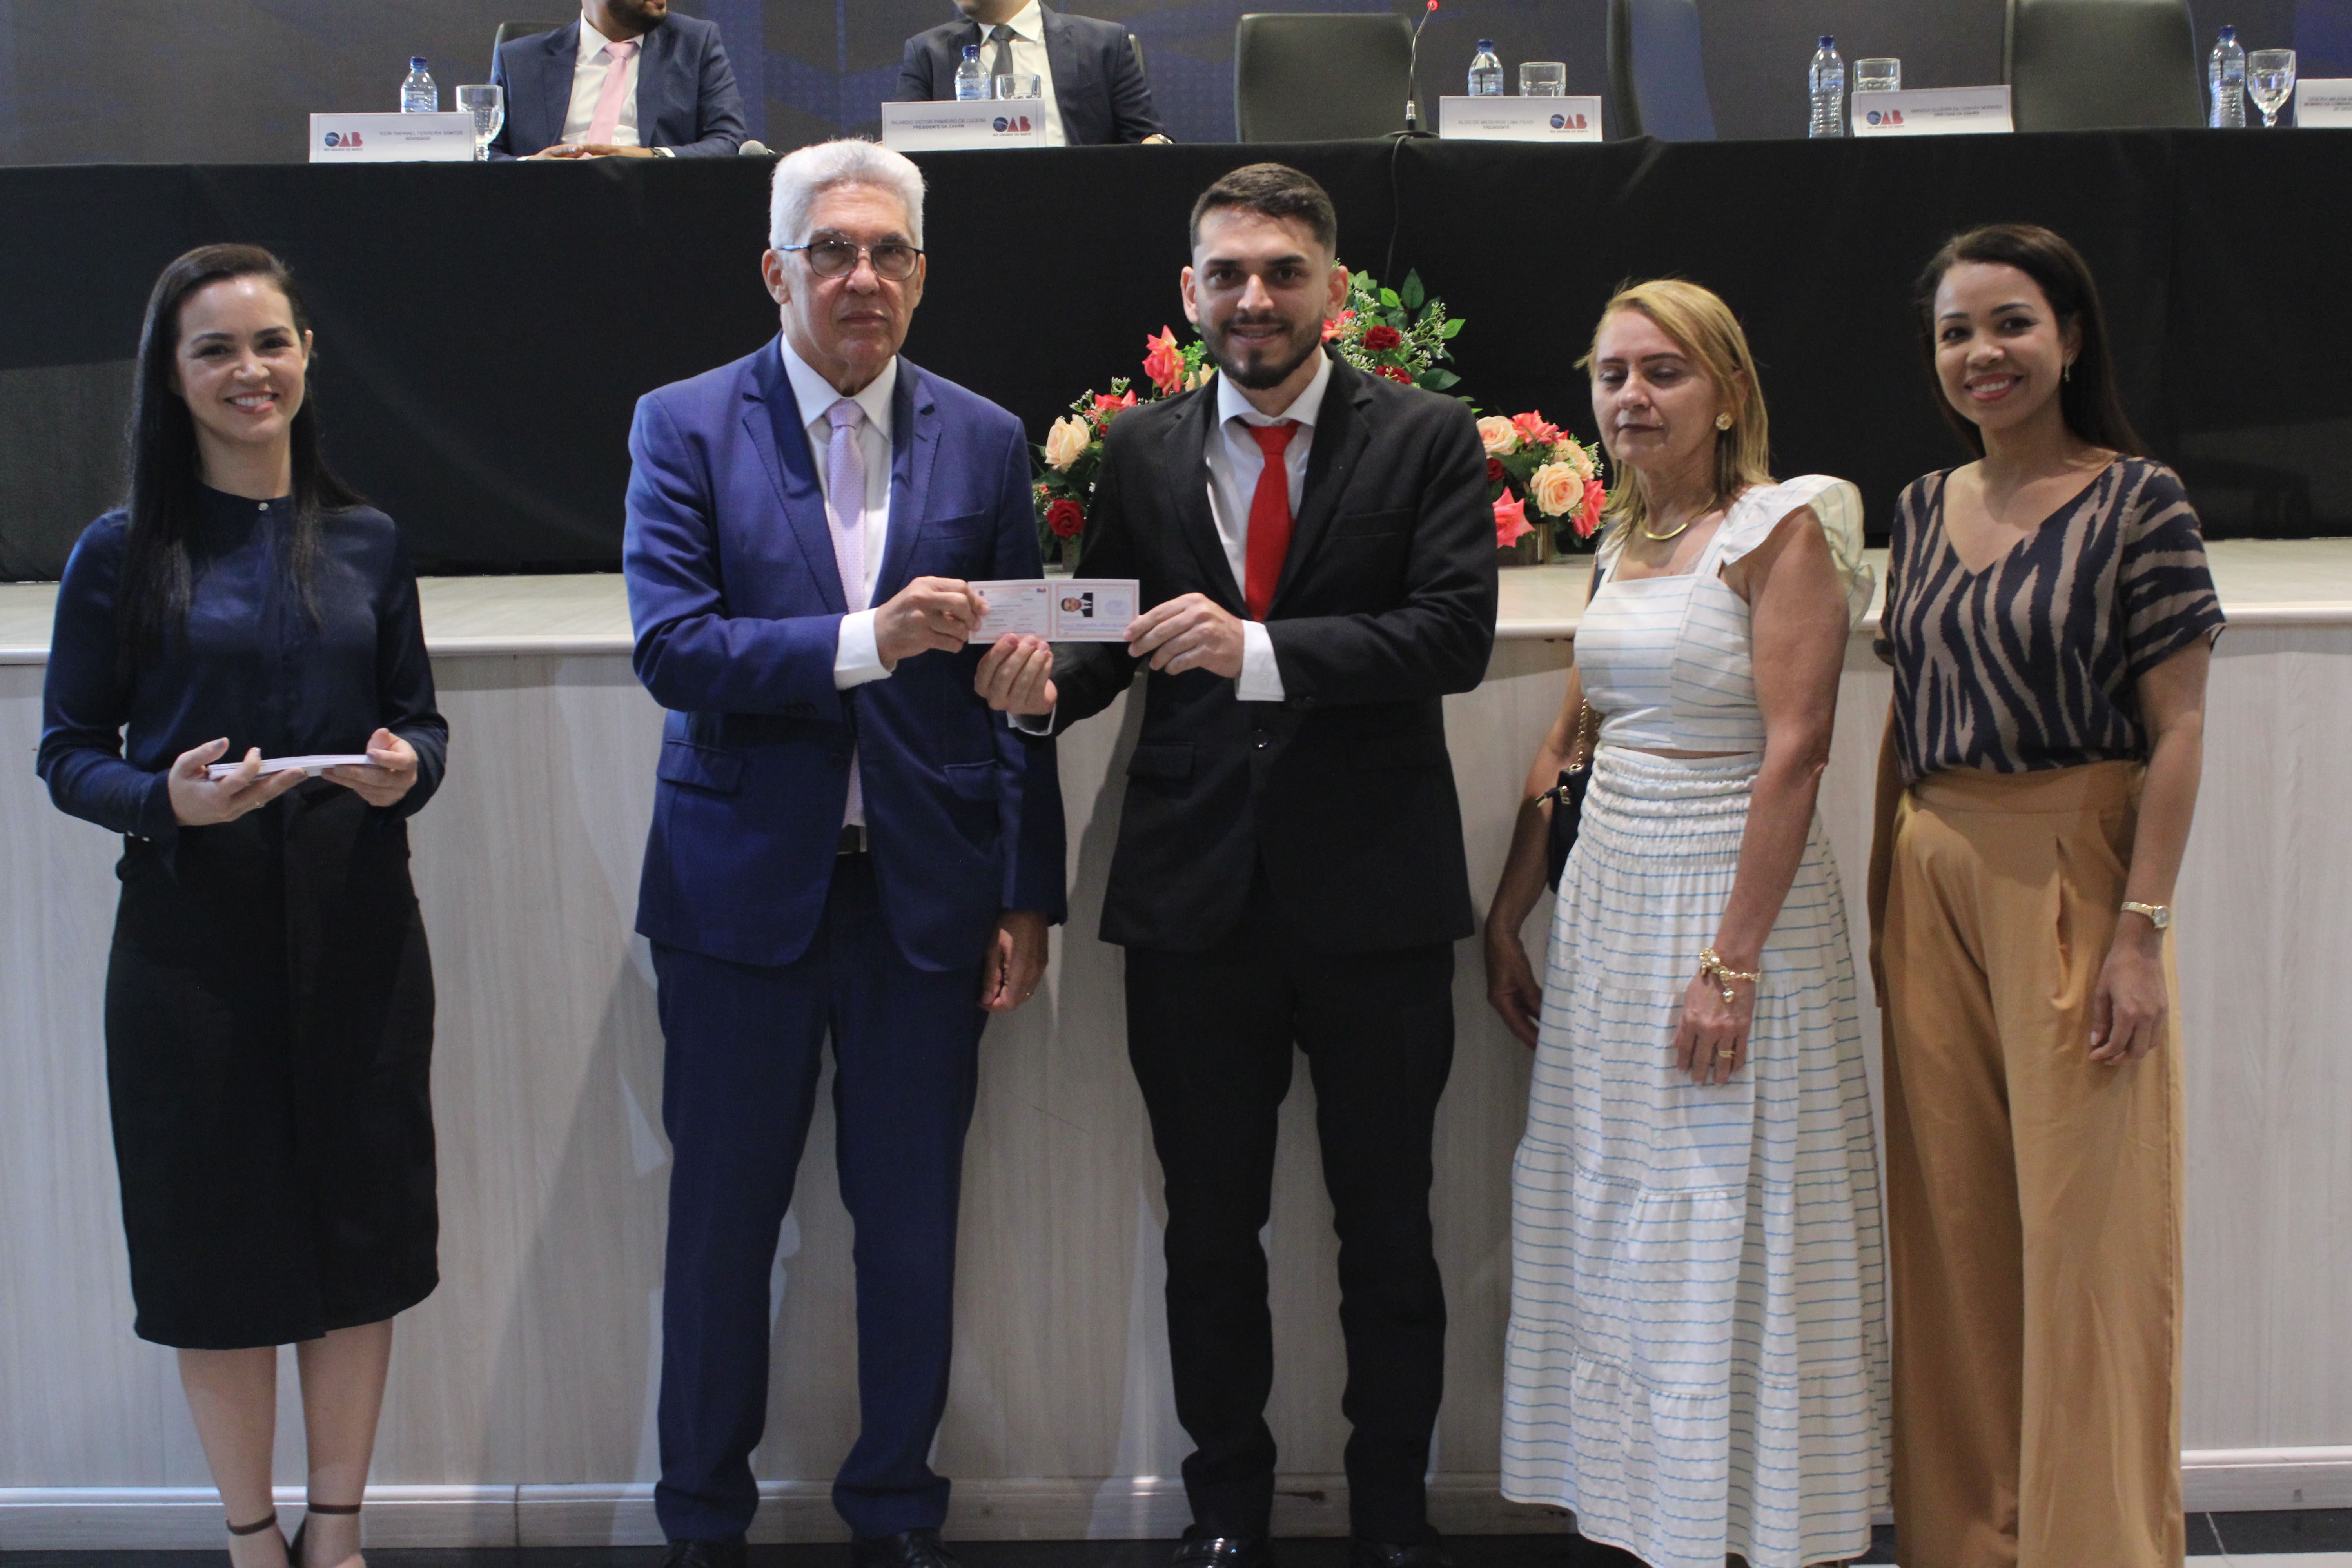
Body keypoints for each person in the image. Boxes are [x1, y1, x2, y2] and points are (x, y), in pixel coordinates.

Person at [976, 162, 1495, 1568]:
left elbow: (1452, 635)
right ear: (1188, 293)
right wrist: (1037, 688)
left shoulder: (1426, 438)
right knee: (1209, 1234)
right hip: (1190, 899)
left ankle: (1393, 1511)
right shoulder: (1141, 450)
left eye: (1280, 272)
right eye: (1226, 274)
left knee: (1388, 1231)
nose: (1252, 298)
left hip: (1375, 898)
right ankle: (1225, 1509)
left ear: (1333, 289)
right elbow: (1106, 634)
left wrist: (1257, 650)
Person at [623, 138, 1066, 1568]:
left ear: (921, 277)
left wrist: (1026, 885)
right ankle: (702, 1519)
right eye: (832, 251)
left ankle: (896, 1511)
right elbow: (672, 648)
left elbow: (1021, 679)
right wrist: (866, 641)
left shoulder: (985, 438)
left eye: (887, 253)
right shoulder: (682, 424)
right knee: (720, 1229)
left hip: (925, 896)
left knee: (912, 1230)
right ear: (777, 271)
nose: (861, 276)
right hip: (736, 896)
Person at [37, 244, 446, 1568]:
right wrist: (166, 801)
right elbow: (67, 755)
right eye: (214, 349)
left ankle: (339, 1536)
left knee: (360, 1241)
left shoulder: (371, 540)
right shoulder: (119, 554)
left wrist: (406, 769)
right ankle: (252, 1541)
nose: (249, 371)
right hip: (188, 953)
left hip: (359, 939)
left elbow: (423, 725)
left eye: (271, 343)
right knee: (215, 1254)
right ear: (171, 376)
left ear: (309, 355)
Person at [1481, 279, 1887, 1568]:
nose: (1633, 397)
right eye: (1613, 375)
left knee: (1732, 1205)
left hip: (1730, 910)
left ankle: (1763, 1523)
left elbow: (1799, 751)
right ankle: (1650, 1513)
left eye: (1664, 372)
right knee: (1629, 1218)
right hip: (1613, 909)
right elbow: (1575, 737)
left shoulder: (1782, 528)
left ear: (1728, 393)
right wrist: (1510, 913)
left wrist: (1730, 965)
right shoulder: (1622, 541)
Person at [1868, 223, 2221, 1568]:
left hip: (2076, 869)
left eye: (2010, 323)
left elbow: (2178, 730)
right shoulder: (1919, 505)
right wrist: (1886, 898)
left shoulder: (2140, 503)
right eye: (1955, 331)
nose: (1983, 353)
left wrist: (2141, 932)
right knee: (1953, 1232)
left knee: (2087, 1239)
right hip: (1931, 873)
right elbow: (1908, 709)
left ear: (2069, 338)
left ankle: (2097, 1546)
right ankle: (1972, 1541)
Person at [490, 0, 746, 160]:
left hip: (656, 208)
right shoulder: (519, 60)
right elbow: (483, 152)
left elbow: (730, 142)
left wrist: (651, 157)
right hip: (549, 211)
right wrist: (531, 167)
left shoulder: (695, 44)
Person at [897, 0, 1170, 146]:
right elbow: (901, 148)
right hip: (966, 213)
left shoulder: (1101, 45)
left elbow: (1146, 137)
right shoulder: (927, 53)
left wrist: (1153, 145)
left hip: (1080, 207)